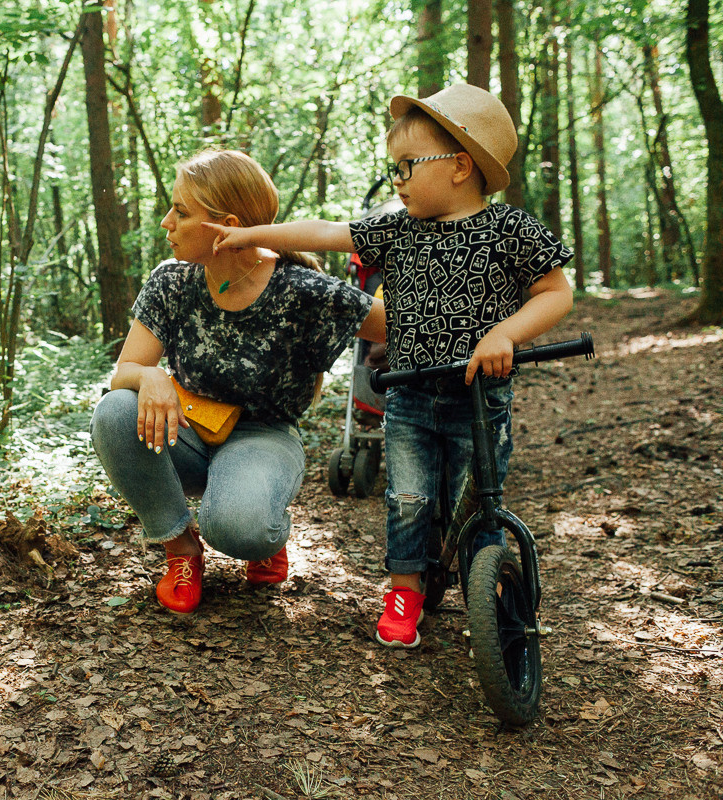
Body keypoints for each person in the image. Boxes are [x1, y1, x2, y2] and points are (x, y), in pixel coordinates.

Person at [205, 84, 574, 647]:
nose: (396, 180)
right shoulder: (397, 228)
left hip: (481, 394)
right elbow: (328, 233)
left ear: (459, 166)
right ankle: (405, 588)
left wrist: (505, 333)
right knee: (408, 497)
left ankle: (490, 585)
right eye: (392, 169)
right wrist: (252, 234)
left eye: (406, 167)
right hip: (409, 394)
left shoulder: (511, 231)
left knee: (476, 496)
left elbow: (555, 293)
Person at [90, 149, 386, 615]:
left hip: (263, 438)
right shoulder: (171, 281)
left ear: (225, 225)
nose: (166, 222)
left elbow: (400, 325)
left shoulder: (300, 289)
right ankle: (182, 550)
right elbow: (123, 374)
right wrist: (150, 376)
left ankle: (258, 522)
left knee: (237, 528)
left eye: (181, 212)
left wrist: (502, 333)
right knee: (114, 411)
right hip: (187, 429)